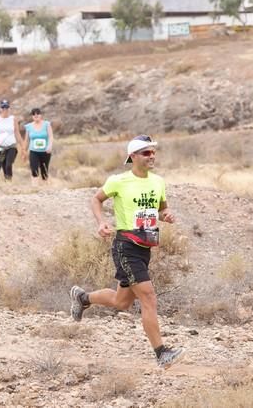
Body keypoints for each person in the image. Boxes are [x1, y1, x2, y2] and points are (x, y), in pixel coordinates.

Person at [70, 135, 182, 369]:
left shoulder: (158, 182)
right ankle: (161, 353)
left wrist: (166, 216)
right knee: (148, 296)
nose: (152, 156)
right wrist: (101, 222)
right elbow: (96, 199)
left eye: (153, 152)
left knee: (121, 302)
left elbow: (161, 209)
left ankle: (82, 298)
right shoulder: (119, 181)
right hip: (126, 246)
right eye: (146, 153)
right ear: (133, 156)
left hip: (146, 246)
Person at [22, 107, 53, 183]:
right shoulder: (29, 126)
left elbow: (51, 136)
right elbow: (26, 140)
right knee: (34, 170)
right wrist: (24, 151)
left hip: (45, 151)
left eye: (37, 113)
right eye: (33, 114)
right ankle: (35, 188)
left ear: (41, 115)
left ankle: (45, 189)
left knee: (44, 171)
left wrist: (50, 146)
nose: (36, 115)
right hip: (33, 151)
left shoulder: (47, 124)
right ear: (32, 116)